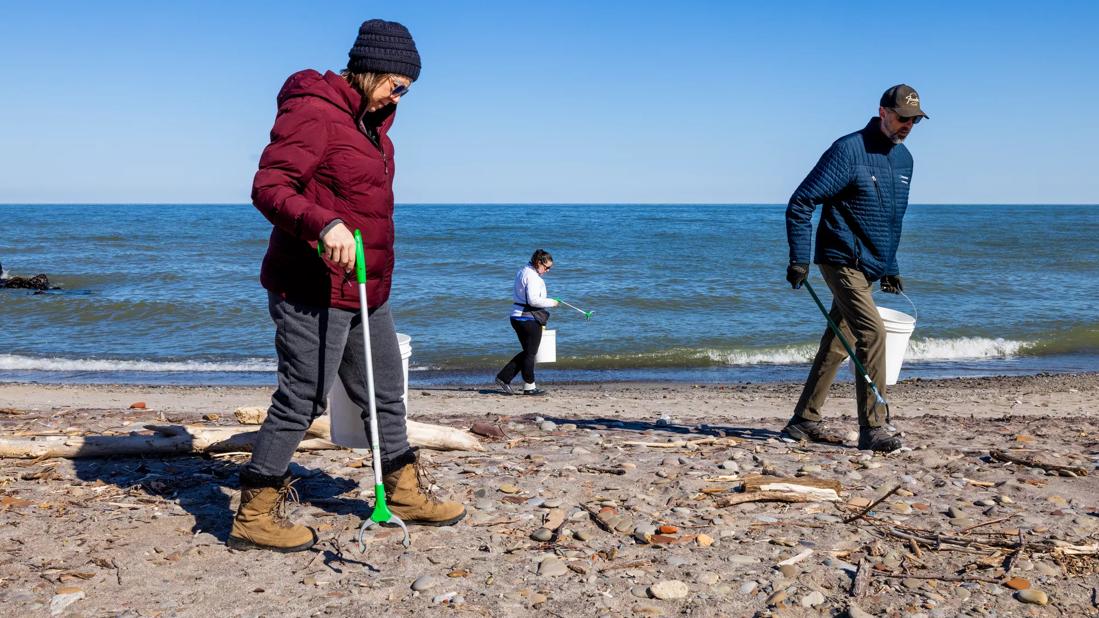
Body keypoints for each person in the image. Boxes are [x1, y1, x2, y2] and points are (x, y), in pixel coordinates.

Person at [230, 19, 465, 553]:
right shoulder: (314, 110)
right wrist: (322, 225)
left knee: (385, 393)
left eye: (406, 89)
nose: (399, 95)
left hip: (366, 286)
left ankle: (402, 493)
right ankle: (254, 511)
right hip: (311, 287)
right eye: (396, 85)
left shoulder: (373, 127)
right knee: (302, 399)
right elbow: (269, 186)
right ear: (370, 70)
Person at [782, 84, 929, 453]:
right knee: (872, 334)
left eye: (914, 120)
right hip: (841, 258)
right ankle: (873, 427)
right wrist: (799, 258)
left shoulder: (904, 160)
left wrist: (891, 264)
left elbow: (891, 219)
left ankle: (804, 421)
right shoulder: (848, 151)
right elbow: (801, 202)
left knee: (836, 343)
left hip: (871, 265)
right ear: (883, 112)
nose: (907, 125)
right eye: (902, 118)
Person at [495, 249, 559, 396]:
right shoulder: (533, 278)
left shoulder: (522, 271)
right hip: (528, 318)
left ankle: (504, 378)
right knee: (530, 354)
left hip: (516, 317)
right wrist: (553, 302)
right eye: (546, 267)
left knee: (528, 353)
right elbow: (533, 300)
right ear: (538, 262)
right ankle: (529, 387)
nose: (548, 271)